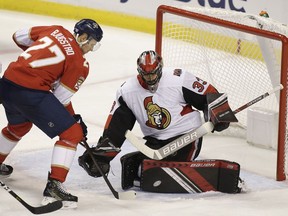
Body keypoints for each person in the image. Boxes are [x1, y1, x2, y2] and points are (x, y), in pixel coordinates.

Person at [78, 50, 237, 192]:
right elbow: (116, 127)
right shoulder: (127, 91)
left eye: (154, 73)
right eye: (146, 75)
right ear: (139, 72)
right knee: (137, 169)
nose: (151, 78)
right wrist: (101, 157)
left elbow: (209, 93)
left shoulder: (178, 78)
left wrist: (219, 114)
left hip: (187, 136)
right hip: (155, 141)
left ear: (160, 69)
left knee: (160, 169)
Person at [0, 18, 103, 207]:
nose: (90, 48)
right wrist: (73, 119)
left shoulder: (56, 30)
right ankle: (55, 187)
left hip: (6, 83)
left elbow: (18, 36)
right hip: (29, 92)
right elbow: (60, 99)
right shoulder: (79, 63)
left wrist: (36, 61)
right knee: (72, 133)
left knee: (19, 126)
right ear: (83, 37)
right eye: (91, 43)